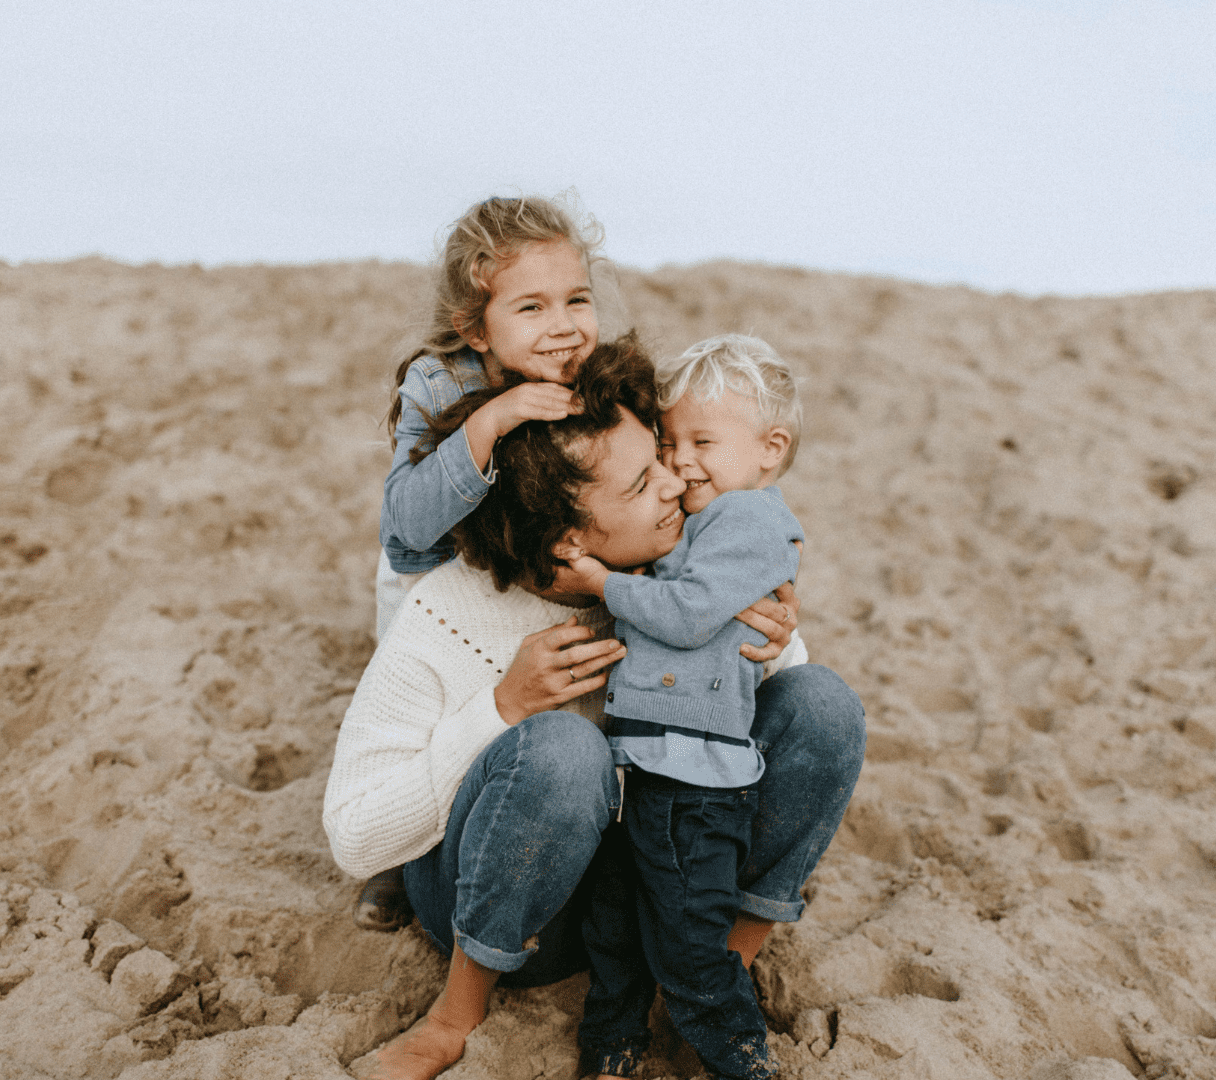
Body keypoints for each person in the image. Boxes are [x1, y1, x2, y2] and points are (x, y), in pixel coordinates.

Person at [321, 339, 865, 1080]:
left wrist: (771, 640)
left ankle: (715, 972)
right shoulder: (447, 612)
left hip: (658, 888)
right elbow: (355, 840)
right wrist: (501, 709)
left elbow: (795, 727)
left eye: (662, 455)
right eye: (645, 480)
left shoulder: (678, 564)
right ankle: (455, 1014)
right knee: (563, 752)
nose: (676, 482)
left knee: (825, 705)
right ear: (569, 538)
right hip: (514, 912)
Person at [558, 334, 803, 1080]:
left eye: (703, 442)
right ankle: (612, 1043)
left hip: (694, 781)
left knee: (690, 937)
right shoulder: (703, 521)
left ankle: (741, 1058)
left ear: (770, 449)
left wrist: (601, 582)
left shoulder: (751, 521)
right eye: (669, 443)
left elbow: (692, 614)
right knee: (615, 922)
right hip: (646, 763)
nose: (681, 461)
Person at [357, 194, 604, 932]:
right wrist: (492, 420)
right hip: (434, 576)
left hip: (521, 575)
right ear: (475, 326)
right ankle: (395, 861)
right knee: (417, 705)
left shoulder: (592, 375)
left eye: (578, 299)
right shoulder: (441, 383)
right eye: (531, 307)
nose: (564, 325)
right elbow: (406, 533)